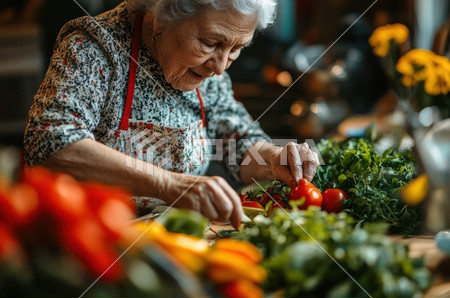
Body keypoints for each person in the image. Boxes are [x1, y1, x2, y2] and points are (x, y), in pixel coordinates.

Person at [24, 0, 319, 228]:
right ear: (161, 17)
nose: (220, 67)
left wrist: (272, 158)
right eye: (210, 42)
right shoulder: (95, 47)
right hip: (92, 239)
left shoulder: (210, 69)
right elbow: (49, 143)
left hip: (170, 239)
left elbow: (236, 145)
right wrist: (168, 185)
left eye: (236, 48)